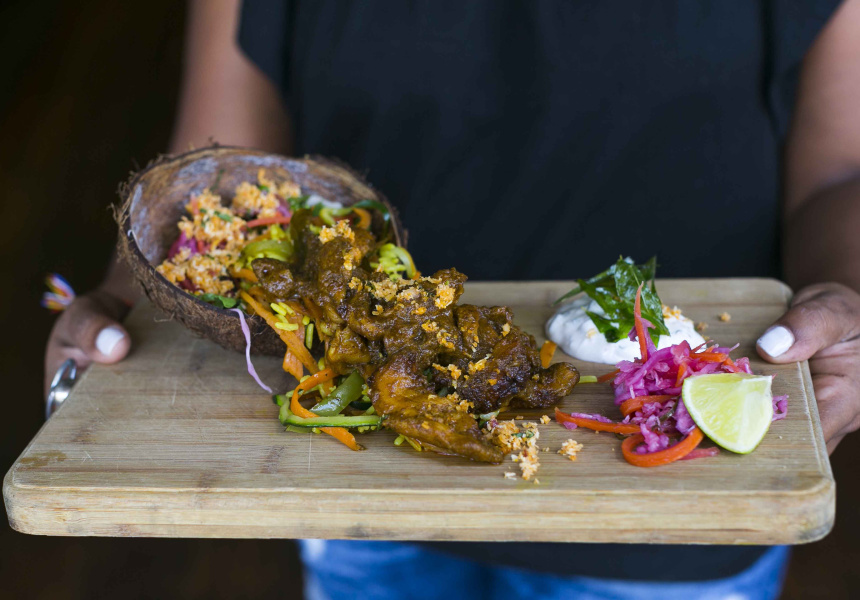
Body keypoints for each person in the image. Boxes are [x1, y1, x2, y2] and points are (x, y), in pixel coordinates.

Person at [45, 1, 860, 598]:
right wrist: (131, 296)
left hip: (665, 513)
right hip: (360, 487)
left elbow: (838, 172)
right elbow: (213, 178)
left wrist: (848, 291)